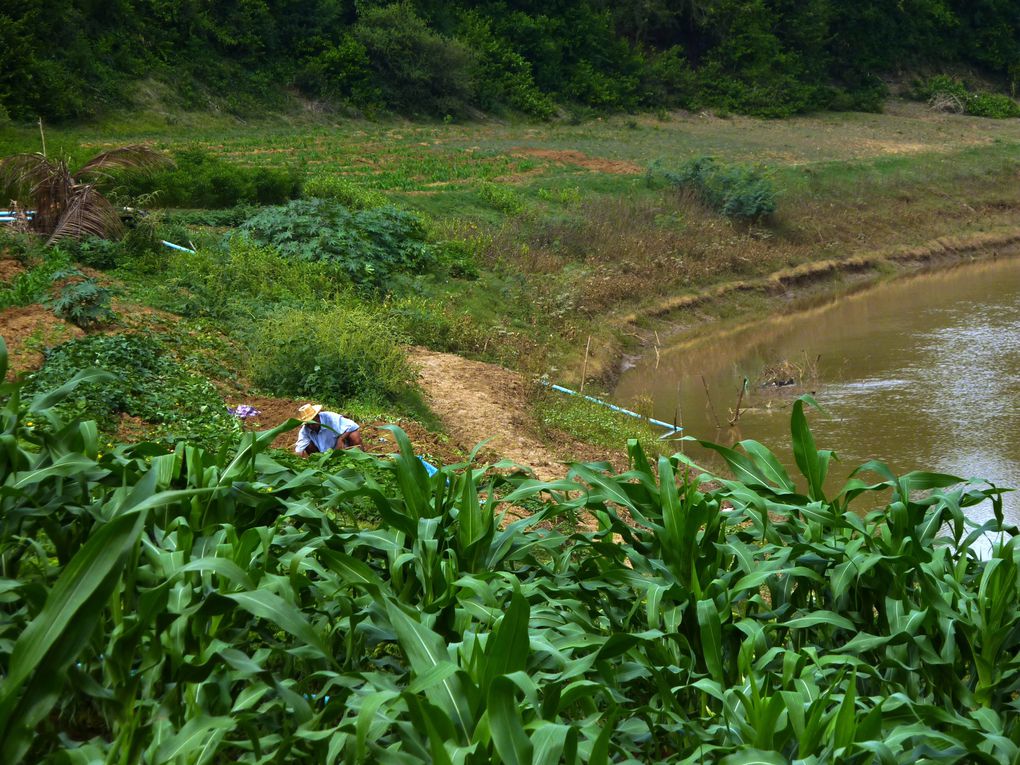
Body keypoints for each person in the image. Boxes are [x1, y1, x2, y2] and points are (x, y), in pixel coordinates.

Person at [294, 403, 362, 457]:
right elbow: (299, 449)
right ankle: (320, 462)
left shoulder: (330, 418)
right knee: (308, 445)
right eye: (308, 424)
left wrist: (341, 439)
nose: (311, 426)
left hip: (341, 447)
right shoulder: (305, 430)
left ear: (317, 417)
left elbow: (352, 425)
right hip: (323, 453)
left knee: (354, 436)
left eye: (312, 423)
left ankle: (361, 456)